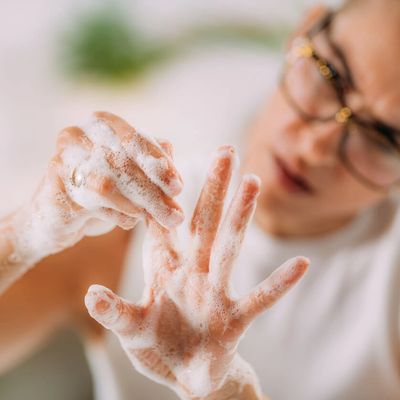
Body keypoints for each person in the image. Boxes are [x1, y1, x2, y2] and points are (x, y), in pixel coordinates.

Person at [1, 0, 400, 398]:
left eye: (383, 138)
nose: (317, 146)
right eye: (329, 77)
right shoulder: (127, 208)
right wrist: (24, 233)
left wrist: (227, 392)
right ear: (303, 33)